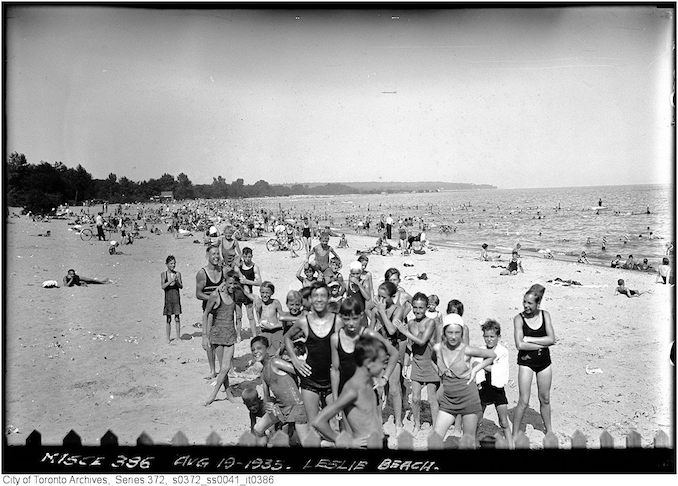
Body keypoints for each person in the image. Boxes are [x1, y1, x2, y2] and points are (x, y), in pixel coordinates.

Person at [331, 297, 399, 432]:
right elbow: (335, 370)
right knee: (349, 437)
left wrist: (384, 379)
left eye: (355, 318)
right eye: (346, 319)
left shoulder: (369, 335)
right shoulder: (335, 338)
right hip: (345, 393)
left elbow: (394, 353)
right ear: (340, 317)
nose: (351, 323)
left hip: (367, 394)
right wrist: (335, 400)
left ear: (361, 316)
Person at [312, 334, 389, 448]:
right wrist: (344, 441)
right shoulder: (353, 388)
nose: (384, 366)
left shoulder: (368, 382)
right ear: (369, 363)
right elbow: (319, 421)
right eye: (382, 362)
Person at [431, 320, 495, 443]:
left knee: (468, 441)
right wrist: (440, 371)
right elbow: (432, 359)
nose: (453, 336)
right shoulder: (438, 349)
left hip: (468, 400)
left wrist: (476, 369)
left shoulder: (466, 350)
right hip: (448, 401)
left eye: (457, 332)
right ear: (444, 333)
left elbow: (492, 354)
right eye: (450, 332)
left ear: (461, 334)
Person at [284, 281, 337, 424]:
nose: (319, 299)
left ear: (328, 298)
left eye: (323, 296)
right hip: (310, 381)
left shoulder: (337, 321)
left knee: (334, 426)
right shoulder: (303, 321)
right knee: (314, 425)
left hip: (332, 382)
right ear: (311, 299)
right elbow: (287, 338)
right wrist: (295, 360)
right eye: (315, 296)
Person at [512, 284, 556, 440]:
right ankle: (515, 432)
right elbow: (520, 345)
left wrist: (530, 339)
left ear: (538, 304)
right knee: (524, 400)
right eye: (524, 302)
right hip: (526, 363)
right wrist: (542, 344)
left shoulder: (546, 315)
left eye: (529, 303)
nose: (525, 305)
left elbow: (552, 339)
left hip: (544, 362)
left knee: (545, 398)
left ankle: (549, 430)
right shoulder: (518, 319)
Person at [393, 293, 439, 431]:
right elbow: (409, 346)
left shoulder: (430, 322)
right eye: (415, 307)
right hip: (417, 363)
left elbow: (421, 341)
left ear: (426, 308)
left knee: (432, 399)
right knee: (415, 398)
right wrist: (406, 364)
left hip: (431, 363)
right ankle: (417, 424)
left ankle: (436, 427)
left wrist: (403, 331)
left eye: (421, 307)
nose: (418, 310)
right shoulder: (411, 323)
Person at [250, 336, 308, 446]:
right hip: (281, 408)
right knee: (258, 429)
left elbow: (300, 370)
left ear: (266, 348)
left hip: (296, 406)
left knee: (305, 442)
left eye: (259, 348)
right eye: (253, 350)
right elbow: (266, 396)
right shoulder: (263, 373)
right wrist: (268, 405)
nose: (255, 352)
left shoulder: (275, 362)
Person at [370, 281, 406, 433]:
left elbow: (392, 330)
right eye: (378, 296)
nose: (380, 300)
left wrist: (382, 312)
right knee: (377, 389)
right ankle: (379, 422)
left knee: (394, 389)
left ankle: (398, 423)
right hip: (377, 352)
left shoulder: (398, 310)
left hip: (392, 351)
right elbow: (370, 331)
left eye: (383, 297)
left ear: (392, 296)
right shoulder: (374, 310)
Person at [203, 271, 240, 406]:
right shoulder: (215, 295)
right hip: (217, 335)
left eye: (234, 284)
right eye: (230, 283)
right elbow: (206, 314)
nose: (232, 286)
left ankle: (213, 394)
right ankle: (228, 394)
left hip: (230, 334)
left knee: (225, 368)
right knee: (223, 368)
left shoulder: (235, 293)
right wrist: (204, 336)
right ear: (225, 281)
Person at [475, 319, 513, 448]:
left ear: (498, 337)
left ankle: (511, 445)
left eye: (492, 337)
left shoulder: (502, 352)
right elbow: (475, 366)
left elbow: (500, 369)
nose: (489, 339)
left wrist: (483, 366)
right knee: (476, 421)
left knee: (504, 422)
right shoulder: (481, 350)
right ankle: (473, 444)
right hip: (483, 388)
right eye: (486, 336)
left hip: (497, 389)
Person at [196, 245, 224, 379]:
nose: (216, 256)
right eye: (213, 254)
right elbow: (198, 294)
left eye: (217, 254)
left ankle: (224, 369)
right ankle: (212, 370)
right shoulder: (202, 273)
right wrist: (213, 299)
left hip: (222, 311)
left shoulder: (223, 271)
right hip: (208, 311)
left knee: (222, 340)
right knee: (209, 342)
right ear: (208, 256)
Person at [235, 247, 262, 340]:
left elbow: (259, 282)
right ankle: (238, 335)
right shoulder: (238, 266)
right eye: (246, 256)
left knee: (251, 316)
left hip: (248, 294)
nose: (248, 259)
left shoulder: (254, 267)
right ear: (243, 256)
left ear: (252, 256)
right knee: (238, 316)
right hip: (238, 293)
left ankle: (254, 335)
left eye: (250, 257)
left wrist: (247, 281)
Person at [251, 282, 284, 355]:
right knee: (264, 352)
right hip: (264, 331)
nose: (264, 295)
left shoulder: (275, 303)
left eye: (267, 293)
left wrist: (274, 326)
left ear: (272, 293)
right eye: (262, 292)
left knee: (278, 351)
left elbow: (282, 318)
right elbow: (259, 318)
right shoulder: (259, 303)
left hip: (276, 330)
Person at [161, 255, 183, 344]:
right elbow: (163, 286)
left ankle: (178, 337)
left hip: (176, 298)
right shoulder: (164, 274)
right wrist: (170, 281)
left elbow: (181, 286)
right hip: (168, 298)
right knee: (168, 318)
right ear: (167, 264)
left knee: (177, 318)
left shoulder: (178, 274)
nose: (173, 265)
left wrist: (176, 281)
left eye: (174, 263)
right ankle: (168, 338)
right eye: (171, 263)